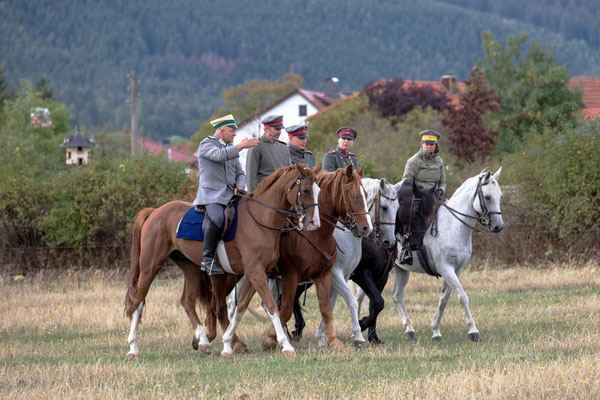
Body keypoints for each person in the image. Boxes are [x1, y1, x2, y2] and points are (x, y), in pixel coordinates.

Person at [194, 114, 259, 274]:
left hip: (231, 195)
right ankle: (207, 260)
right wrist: (241, 146)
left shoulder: (230, 148)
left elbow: (240, 173)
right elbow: (219, 155)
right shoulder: (206, 144)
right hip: (212, 196)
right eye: (232, 131)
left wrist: (239, 185)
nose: (235, 134)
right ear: (221, 130)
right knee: (218, 219)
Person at [398, 129, 446, 265]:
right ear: (422, 144)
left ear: (435, 145)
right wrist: (420, 193)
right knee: (411, 219)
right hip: (417, 197)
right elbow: (407, 181)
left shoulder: (439, 161)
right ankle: (404, 250)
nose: (429, 146)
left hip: (434, 196)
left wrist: (441, 190)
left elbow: (442, 181)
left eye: (432, 144)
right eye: (427, 144)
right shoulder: (414, 160)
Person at [245, 115, 292, 192]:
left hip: (283, 193)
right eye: (276, 129)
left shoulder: (284, 147)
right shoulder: (256, 147)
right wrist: (253, 197)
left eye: (280, 129)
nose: (279, 132)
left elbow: (290, 172)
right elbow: (251, 177)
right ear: (266, 129)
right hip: (264, 194)